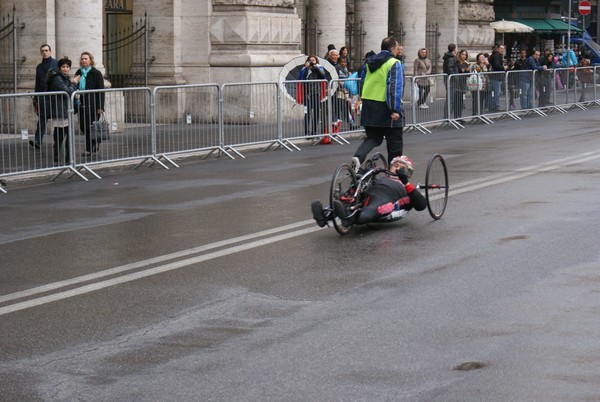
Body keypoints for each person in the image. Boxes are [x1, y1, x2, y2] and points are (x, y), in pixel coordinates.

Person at [311, 155, 426, 228]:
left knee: (373, 208)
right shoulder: (382, 177)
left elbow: (421, 205)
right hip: (370, 192)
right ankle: (324, 216)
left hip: (387, 198)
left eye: (402, 168)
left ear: (408, 174)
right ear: (389, 168)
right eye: (395, 165)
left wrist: (405, 182)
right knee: (347, 198)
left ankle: (350, 219)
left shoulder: (407, 187)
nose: (397, 168)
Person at [351, 37, 405, 170]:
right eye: (397, 48)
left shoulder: (369, 63)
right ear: (392, 48)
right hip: (385, 106)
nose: (399, 50)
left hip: (369, 105)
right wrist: (395, 109)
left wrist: (361, 98)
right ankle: (394, 177)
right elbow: (394, 87)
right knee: (394, 144)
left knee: (373, 137)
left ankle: (358, 157)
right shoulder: (394, 63)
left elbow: (362, 82)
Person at [45, 56, 78, 165]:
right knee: (59, 137)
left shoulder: (65, 77)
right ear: (59, 68)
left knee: (68, 137)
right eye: (63, 66)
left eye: (67, 67)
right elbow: (68, 91)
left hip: (66, 110)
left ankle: (68, 159)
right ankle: (57, 159)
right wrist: (74, 83)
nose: (65, 69)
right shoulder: (58, 78)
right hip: (60, 111)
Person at [73, 51, 105, 156]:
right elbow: (73, 87)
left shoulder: (96, 73)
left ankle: (88, 149)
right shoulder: (79, 72)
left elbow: (101, 90)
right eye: (82, 59)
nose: (84, 60)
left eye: (86, 59)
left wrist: (100, 106)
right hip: (81, 103)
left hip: (93, 105)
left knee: (91, 127)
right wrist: (74, 82)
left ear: (90, 60)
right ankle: (96, 141)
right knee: (83, 126)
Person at [31, 44, 58, 149]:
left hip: (54, 96)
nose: (45, 52)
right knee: (42, 119)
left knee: (56, 120)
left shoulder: (56, 63)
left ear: (50, 51)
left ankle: (57, 141)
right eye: (42, 51)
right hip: (42, 97)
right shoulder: (39, 67)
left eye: (46, 50)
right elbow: (37, 83)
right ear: (40, 53)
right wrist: (36, 97)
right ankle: (38, 141)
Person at [298, 54, 326, 137]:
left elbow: (322, 76)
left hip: (316, 92)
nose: (312, 62)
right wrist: (307, 68)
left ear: (316, 61)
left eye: (313, 60)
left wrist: (316, 67)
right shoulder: (304, 69)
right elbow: (301, 79)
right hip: (307, 93)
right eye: (310, 60)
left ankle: (314, 131)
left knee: (316, 112)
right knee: (308, 113)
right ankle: (307, 132)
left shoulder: (319, 68)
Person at [488, 43, 506, 112]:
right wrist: (504, 67)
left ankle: (494, 105)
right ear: (498, 49)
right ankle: (496, 106)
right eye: (501, 48)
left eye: (503, 49)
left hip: (497, 77)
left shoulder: (498, 55)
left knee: (496, 91)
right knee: (496, 92)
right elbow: (496, 65)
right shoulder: (496, 56)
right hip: (496, 76)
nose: (502, 50)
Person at [442, 43, 459, 119]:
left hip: (450, 79)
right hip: (451, 80)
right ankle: (447, 116)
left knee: (451, 98)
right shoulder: (450, 58)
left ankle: (448, 116)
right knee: (450, 99)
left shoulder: (450, 57)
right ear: (454, 49)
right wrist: (455, 77)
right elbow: (450, 69)